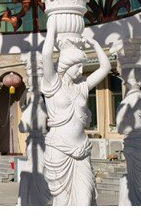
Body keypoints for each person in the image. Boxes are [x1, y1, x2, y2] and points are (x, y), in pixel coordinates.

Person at [42, 21, 110, 205]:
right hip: (59, 150)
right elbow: (47, 55)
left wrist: (96, 45)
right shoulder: (52, 84)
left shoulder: (82, 88)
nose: (81, 70)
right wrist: (52, 30)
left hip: (82, 151)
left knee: (86, 199)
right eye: (77, 66)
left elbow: (105, 68)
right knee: (63, 202)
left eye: (81, 66)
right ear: (65, 65)